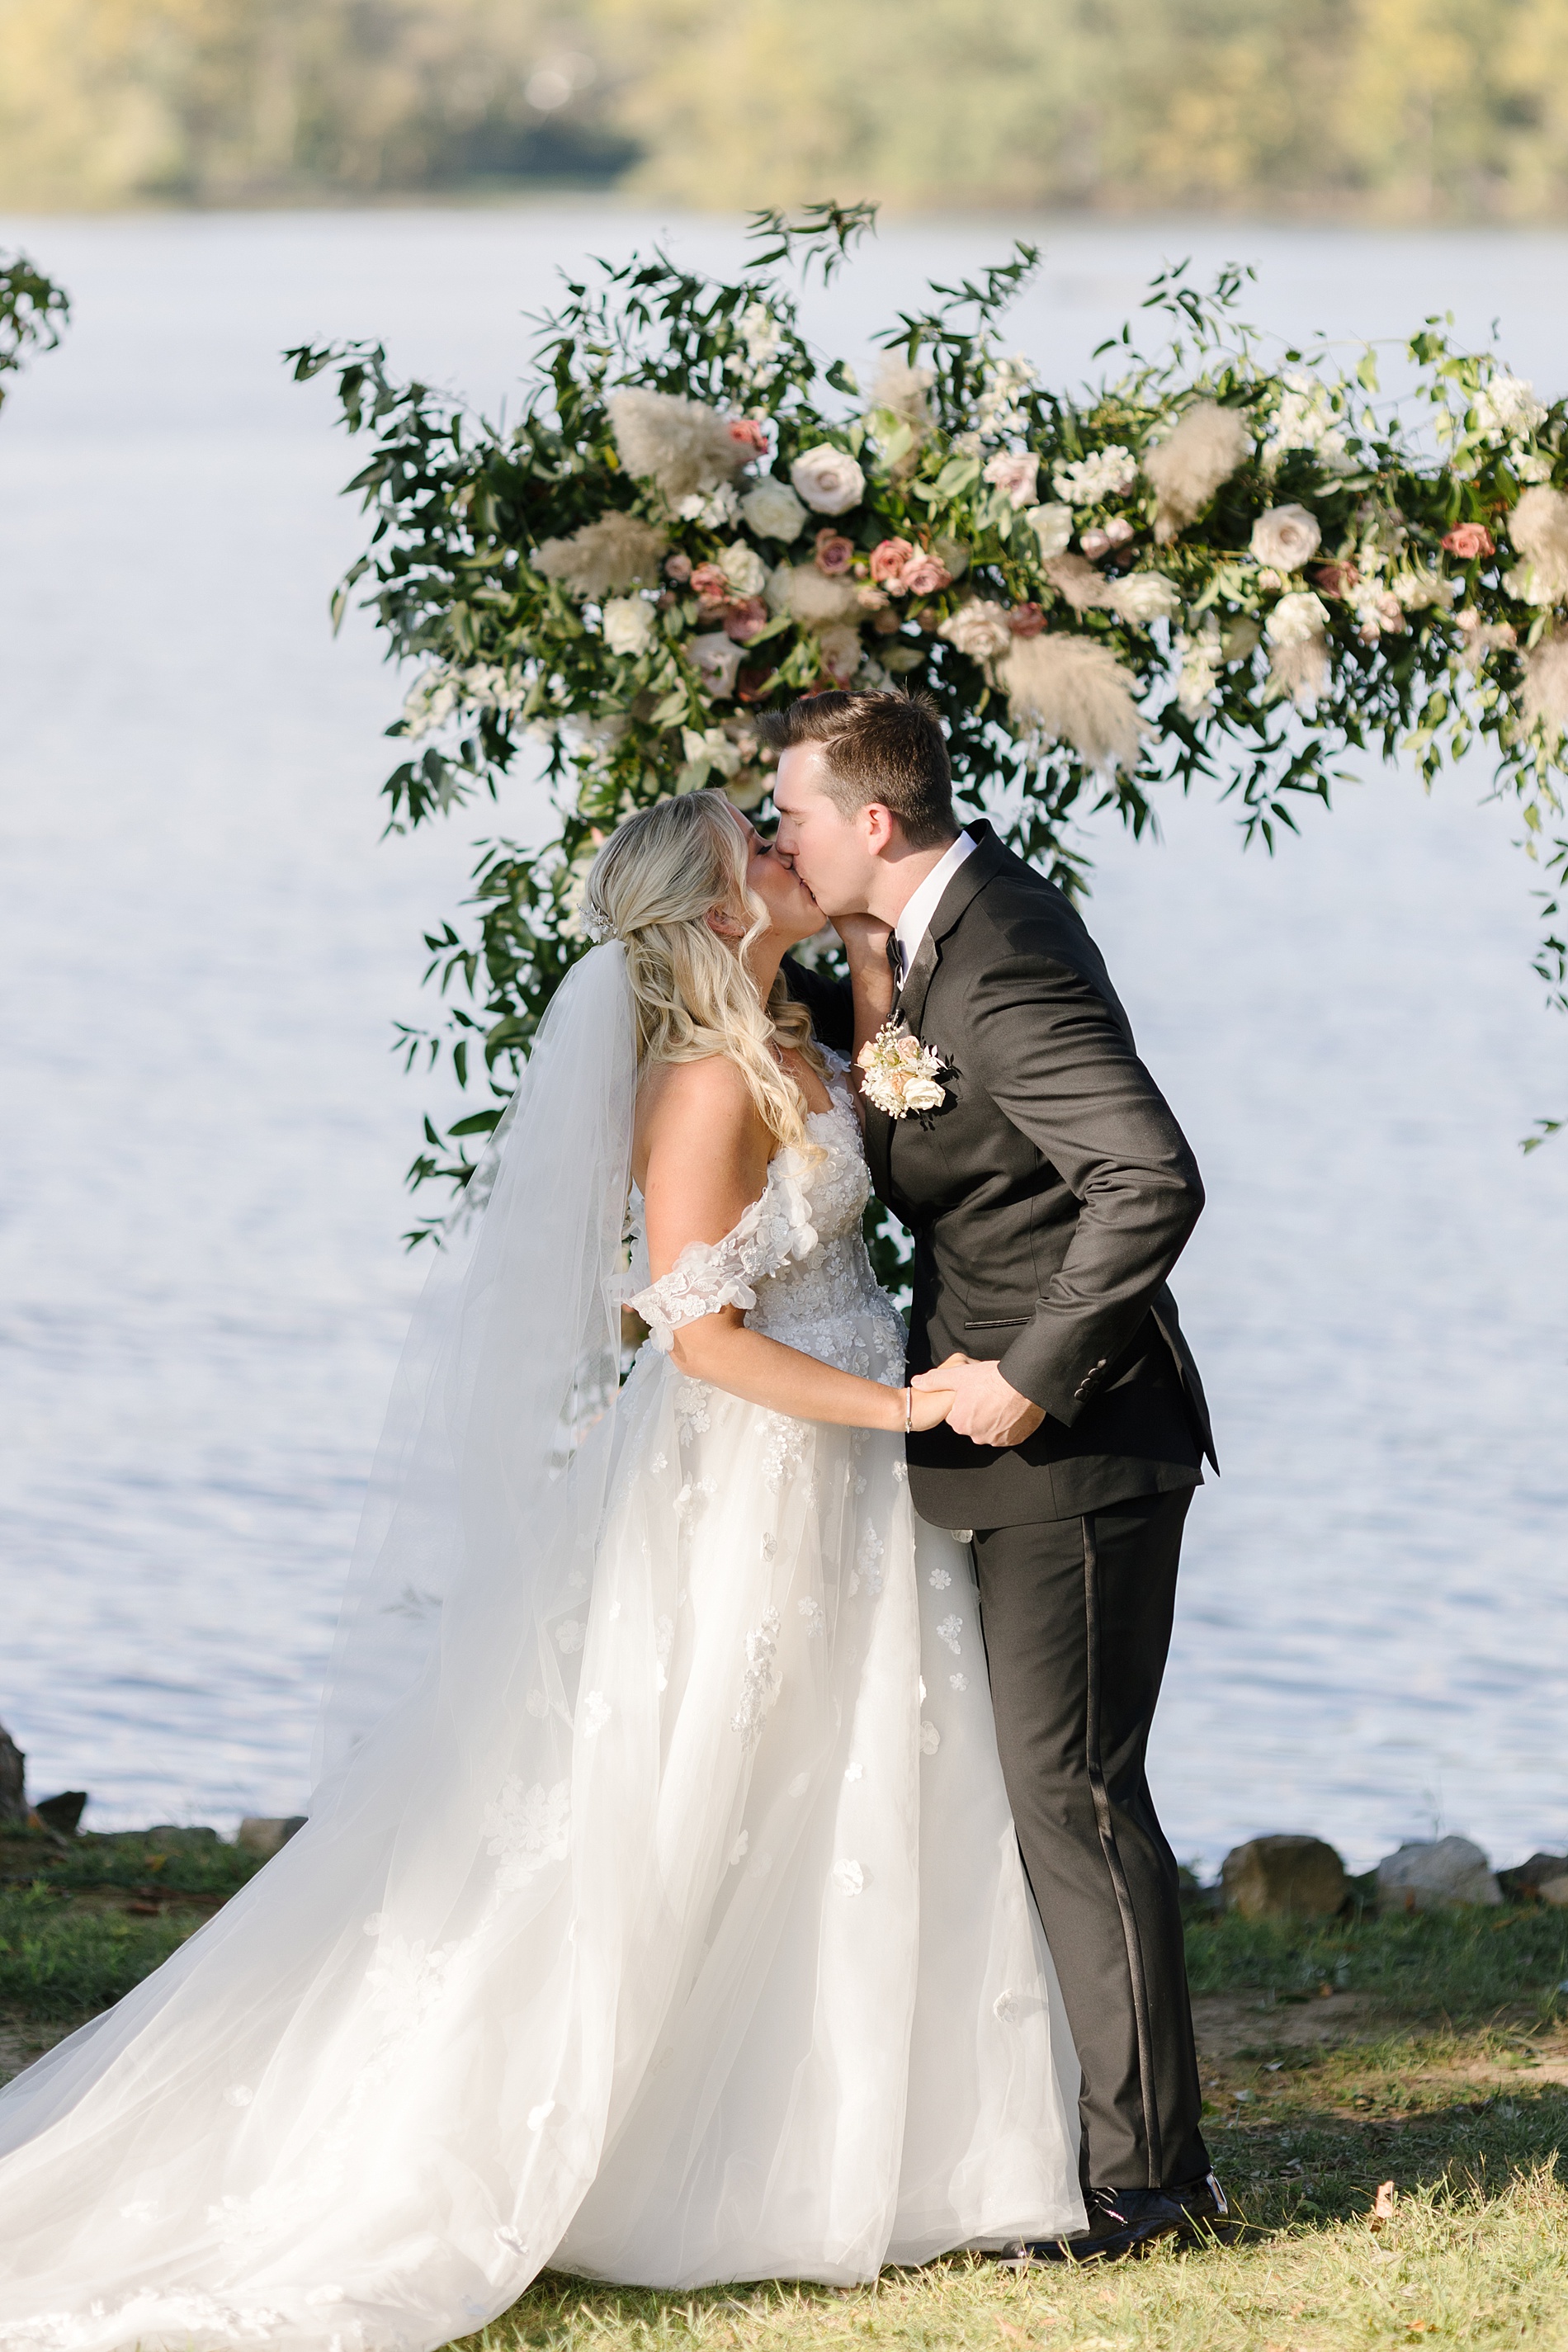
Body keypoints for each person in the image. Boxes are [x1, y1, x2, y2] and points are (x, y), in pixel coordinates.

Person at [0, 790, 1084, 2350]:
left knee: (858, 1785)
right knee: (705, 1787)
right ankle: (653, 2155)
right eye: (759, 853)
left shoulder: (806, 1041)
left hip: (848, 1481)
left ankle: (877, 2149)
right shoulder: (703, 1088)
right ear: (719, 911)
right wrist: (900, 1401)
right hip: (758, 1477)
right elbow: (698, 1339)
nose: (784, 855)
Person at [769, 688, 1224, 2264]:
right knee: (1049, 1792)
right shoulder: (933, 940)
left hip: (1080, 1447)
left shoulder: (1007, 954)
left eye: (795, 816)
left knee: (1078, 1798)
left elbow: (1148, 1174)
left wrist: (1033, 1382)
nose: (781, 837)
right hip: (989, 1435)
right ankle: (1108, 2146)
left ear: (871, 825)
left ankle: (1154, 2185)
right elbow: (938, 1110)